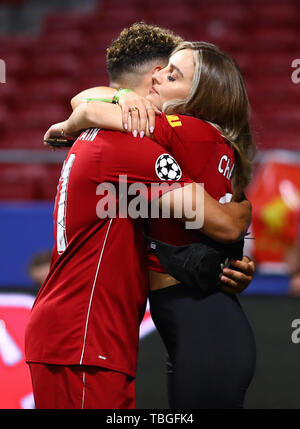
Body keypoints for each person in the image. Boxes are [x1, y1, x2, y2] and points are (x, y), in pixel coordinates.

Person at [47, 31, 257, 408]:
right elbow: (232, 216)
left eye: (172, 75)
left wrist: (69, 125)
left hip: (202, 325)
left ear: (200, 97)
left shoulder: (183, 130)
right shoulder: (206, 142)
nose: (158, 78)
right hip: (200, 322)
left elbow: (87, 107)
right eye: (159, 71)